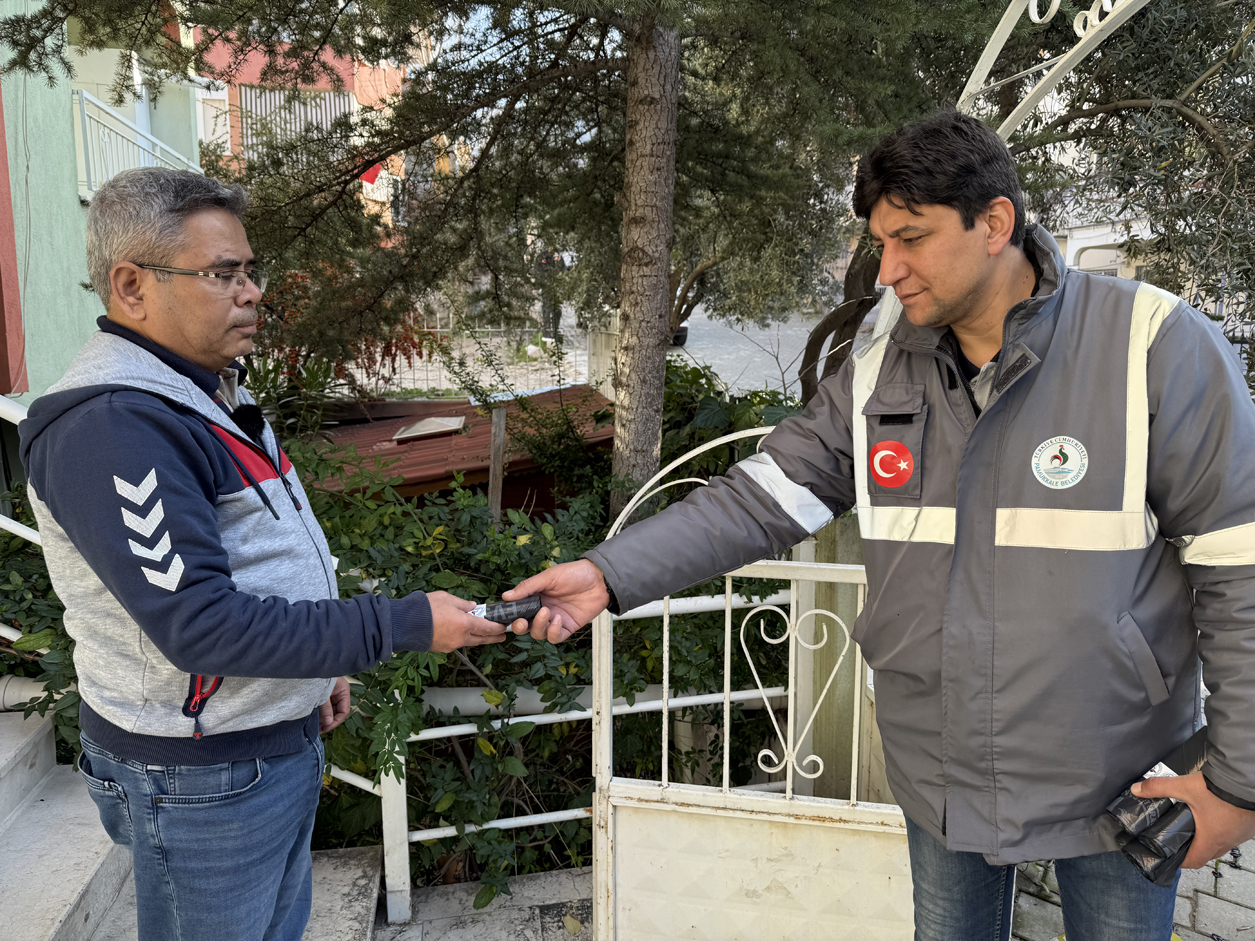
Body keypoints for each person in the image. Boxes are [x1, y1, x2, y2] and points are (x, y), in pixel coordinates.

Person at [504, 111, 1255, 940]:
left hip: (1121, 769)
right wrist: (608, 574)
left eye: (911, 238)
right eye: (879, 240)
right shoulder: (881, 361)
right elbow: (763, 497)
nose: (887, 268)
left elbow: (1240, 564)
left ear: (994, 222)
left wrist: (1237, 785)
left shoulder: (1152, 342)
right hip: (938, 766)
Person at [17, 168, 525, 941]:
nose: (252, 291)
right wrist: (404, 623)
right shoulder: (114, 426)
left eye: (251, 270)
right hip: (198, 776)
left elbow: (260, 554)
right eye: (223, 273)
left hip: (263, 740)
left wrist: (317, 667)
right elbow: (201, 628)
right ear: (130, 285)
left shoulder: (203, 388)